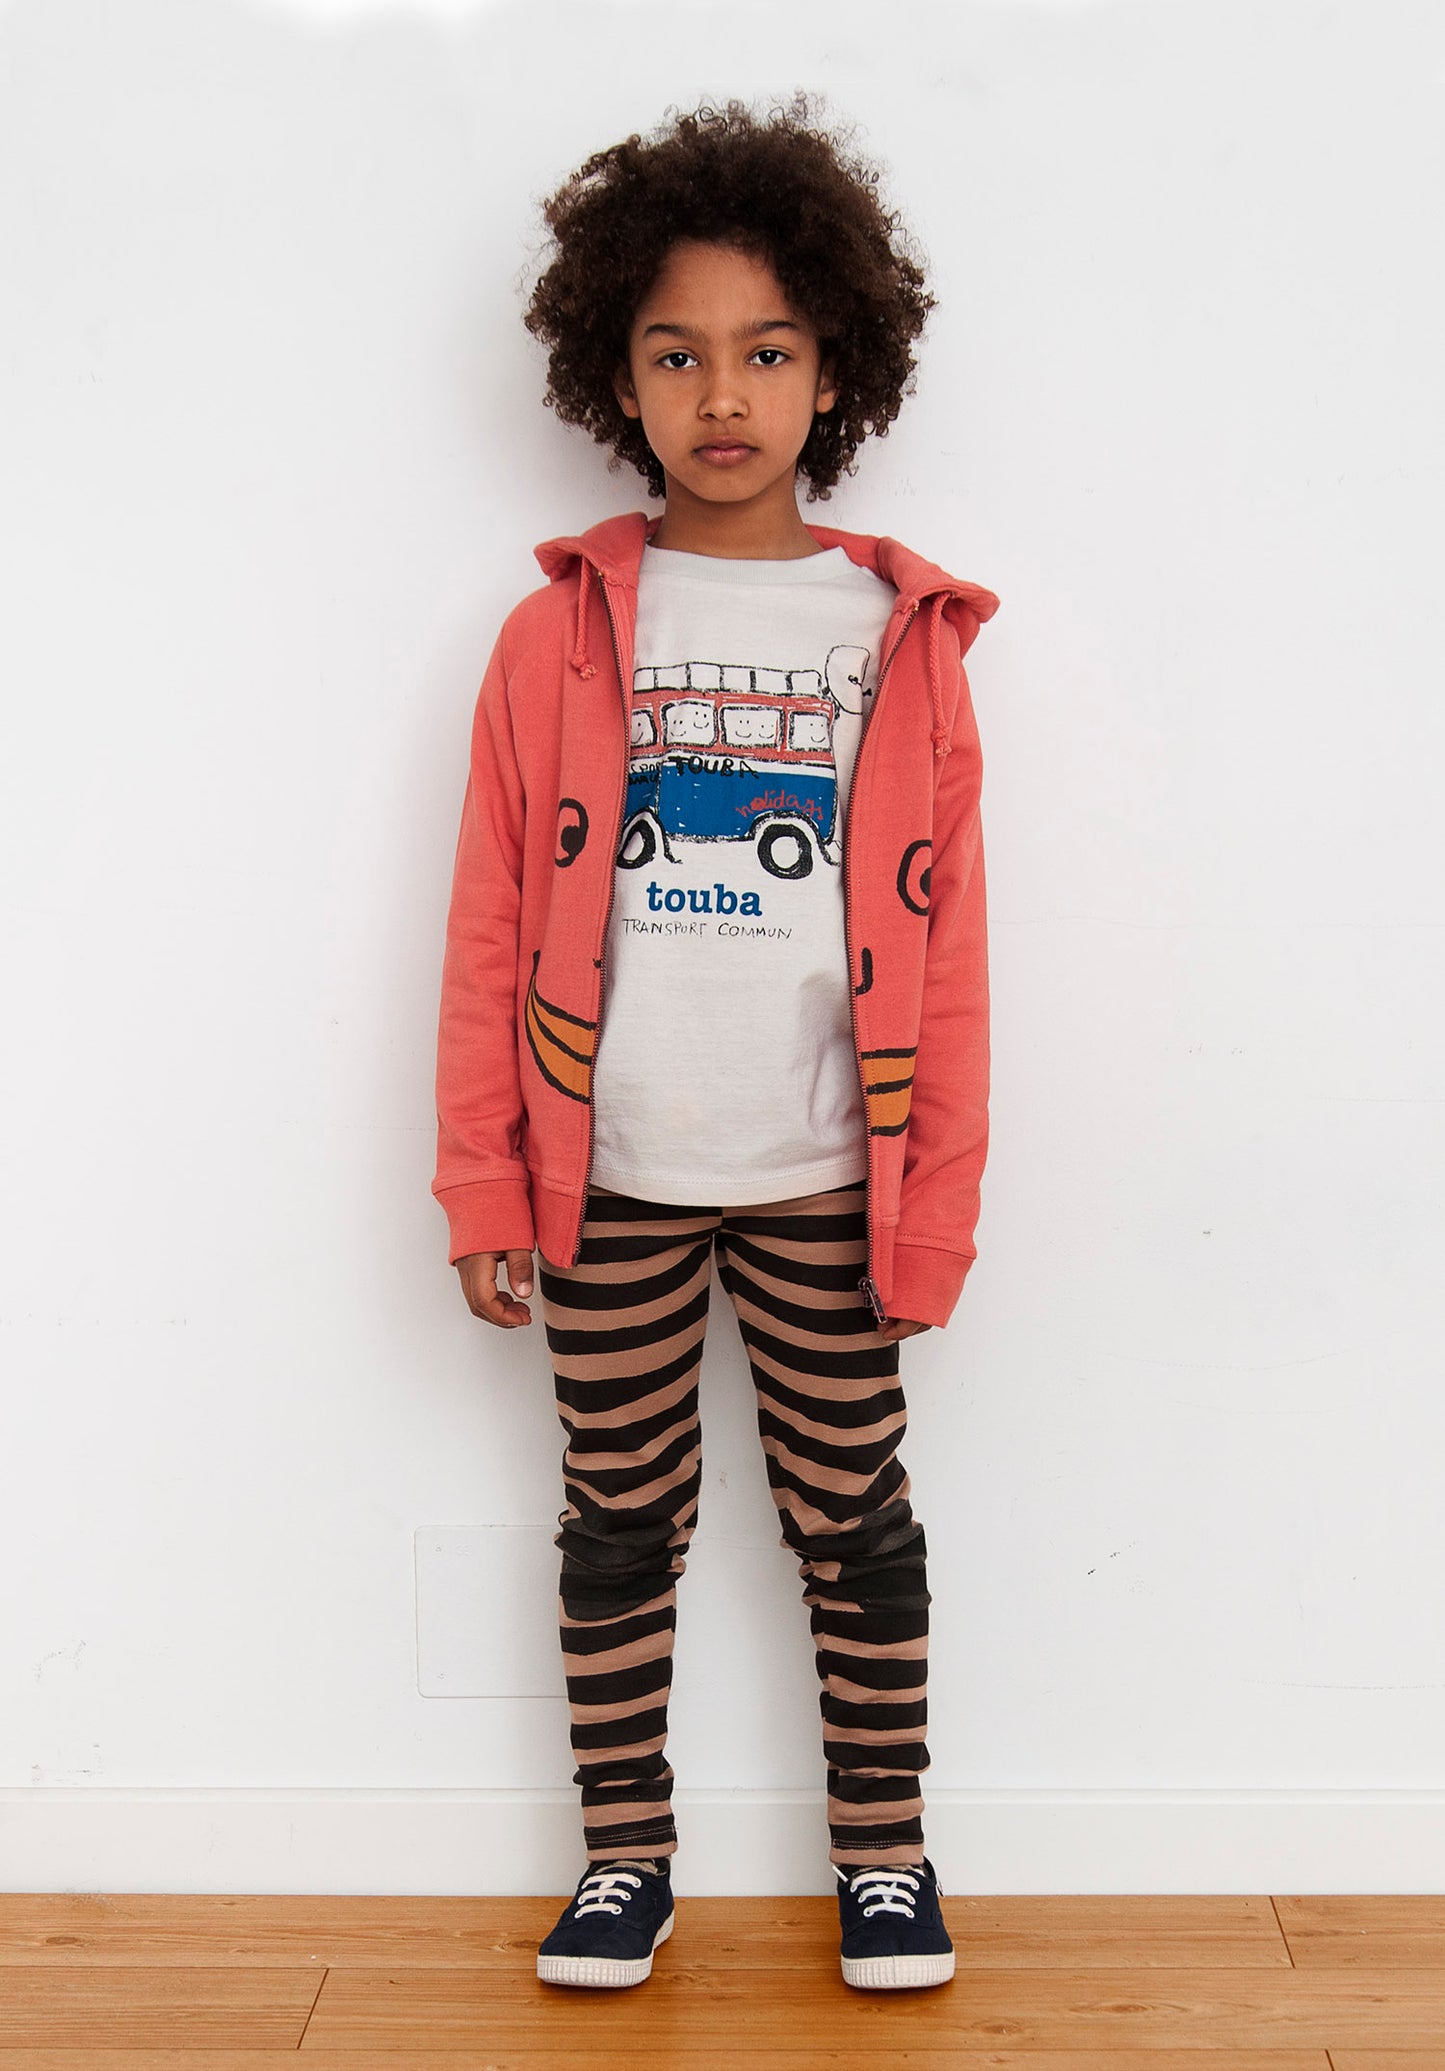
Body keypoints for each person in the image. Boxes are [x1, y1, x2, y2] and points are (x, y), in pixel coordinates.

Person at [431, 93, 998, 1993]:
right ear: (617, 377)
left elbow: (953, 954)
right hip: (604, 1175)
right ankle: (624, 1863)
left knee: (857, 1523)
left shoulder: (899, 637)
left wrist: (935, 1207)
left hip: (831, 1172)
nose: (723, 392)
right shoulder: (554, 636)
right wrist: (482, 1176)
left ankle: (885, 1861)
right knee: (617, 1525)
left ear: (835, 369)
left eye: (767, 349)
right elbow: (489, 925)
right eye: (676, 353)